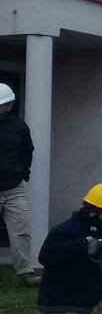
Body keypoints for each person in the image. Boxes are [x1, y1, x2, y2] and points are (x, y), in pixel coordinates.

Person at [37, 184, 102, 314]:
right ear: (93, 211)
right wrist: (82, 245)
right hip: (59, 309)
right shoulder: (65, 231)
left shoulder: (101, 238)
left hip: (82, 309)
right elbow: (45, 256)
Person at [0, 83, 38, 285]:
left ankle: (25, 272)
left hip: (15, 187)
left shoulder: (19, 126)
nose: (5, 108)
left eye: (6, 105)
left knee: (21, 231)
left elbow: (27, 150)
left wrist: (24, 172)